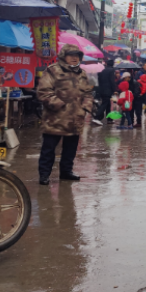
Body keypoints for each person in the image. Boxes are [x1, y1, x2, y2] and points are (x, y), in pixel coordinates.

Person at [36, 44, 94, 186]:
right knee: (48, 149)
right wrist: (60, 105)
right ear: (63, 56)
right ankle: (44, 174)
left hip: (75, 119)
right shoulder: (52, 71)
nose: (74, 58)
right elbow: (43, 91)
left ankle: (66, 172)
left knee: (70, 149)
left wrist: (85, 107)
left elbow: (88, 93)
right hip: (55, 118)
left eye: (77, 55)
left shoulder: (82, 73)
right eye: (71, 55)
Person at [96, 59, 118, 124]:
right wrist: (115, 90)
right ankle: (96, 117)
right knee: (105, 104)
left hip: (102, 90)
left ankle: (109, 119)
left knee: (108, 104)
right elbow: (112, 81)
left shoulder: (102, 70)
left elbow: (99, 79)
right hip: (108, 90)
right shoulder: (111, 70)